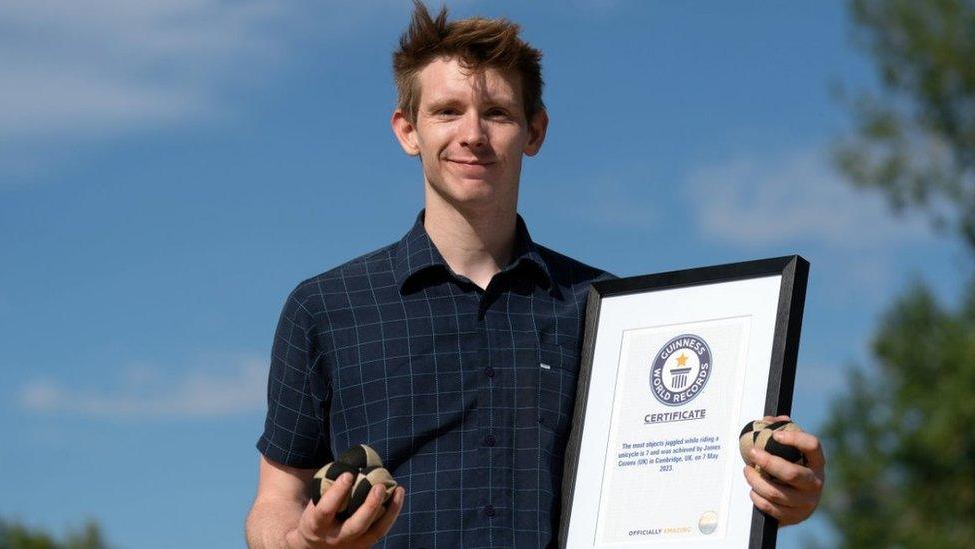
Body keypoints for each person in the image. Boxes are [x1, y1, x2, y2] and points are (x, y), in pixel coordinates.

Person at [245, 3, 825, 548]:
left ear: (535, 131)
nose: (472, 134)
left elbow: (681, 471)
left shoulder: (609, 316)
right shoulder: (324, 306)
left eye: (496, 113)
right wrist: (299, 542)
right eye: (447, 111)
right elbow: (277, 498)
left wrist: (778, 492)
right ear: (407, 129)